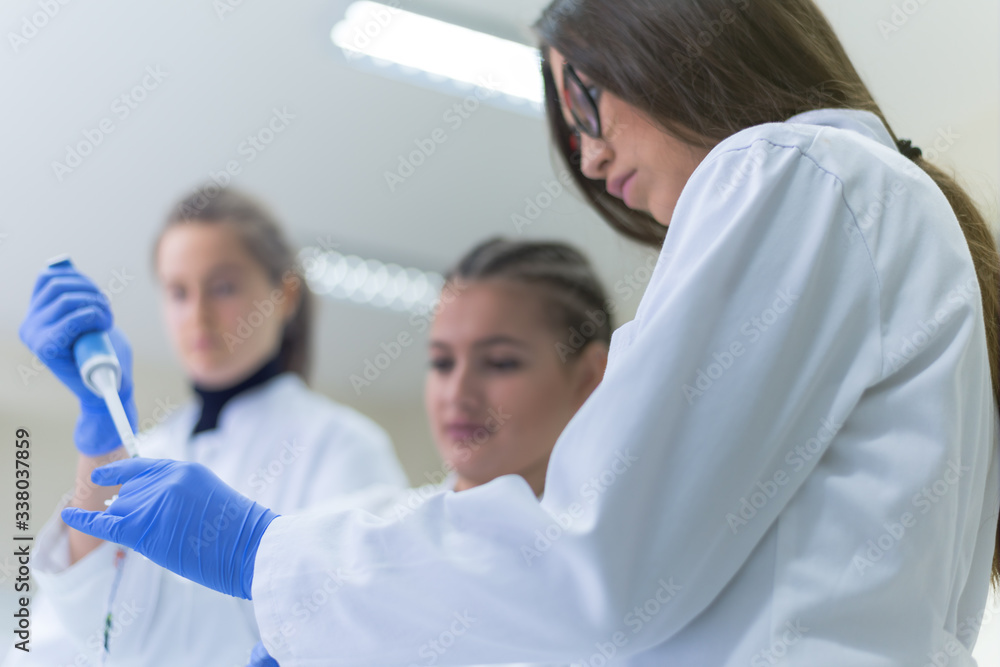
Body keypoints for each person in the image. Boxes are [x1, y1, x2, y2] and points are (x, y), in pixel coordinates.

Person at [59, 1, 1000, 665]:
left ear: (672, 36)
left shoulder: (791, 169)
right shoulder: (859, 200)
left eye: (586, 99)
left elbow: (601, 564)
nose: (587, 155)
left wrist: (263, 551)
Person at [14, 187, 407, 666]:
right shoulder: (148, 446)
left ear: (283, 296)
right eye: (178, 291)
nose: (197, 316)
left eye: (222, 287)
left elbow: (367, 620)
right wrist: (101, 432)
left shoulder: (343, 445)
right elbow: (75, 633)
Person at [248, 237, 611, 665]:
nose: (458, 392)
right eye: (442, 363)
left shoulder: (617, 574)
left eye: (499, 362)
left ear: (589, 377)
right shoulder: (363, 534)